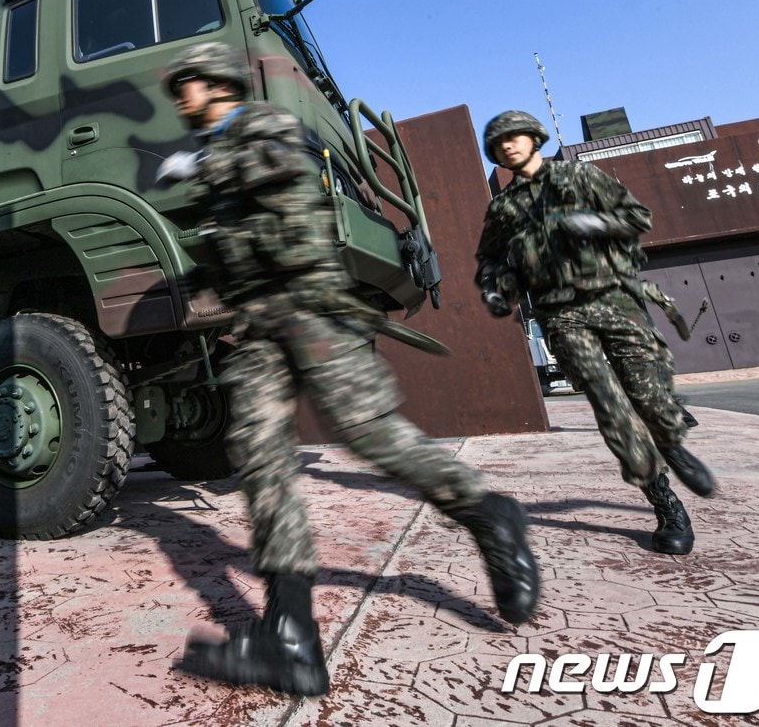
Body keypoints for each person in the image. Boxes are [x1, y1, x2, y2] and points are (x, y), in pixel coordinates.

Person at [157, 43, 541, 697]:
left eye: (185, 85)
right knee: (263, 463)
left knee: (372, 434)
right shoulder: (219, 151)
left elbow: (294, 213)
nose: (179, 100)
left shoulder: (263, 127)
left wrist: (210, 178)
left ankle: (487, 513)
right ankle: (291, 638)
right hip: (256, 327)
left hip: (309, 308)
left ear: (214, 83)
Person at [474, 110, 716, 556]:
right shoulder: (503, 208)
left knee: (650, 396)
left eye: (515, 136)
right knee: (609, 404)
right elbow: (489, 261)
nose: (508, 145)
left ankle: (672, 443)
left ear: (533, 138)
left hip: (613, 298)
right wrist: (494, 291)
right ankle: (666, 504)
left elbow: (637, 215)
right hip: (560, 312)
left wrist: (596, 224)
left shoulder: (580, 176)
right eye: (499, 142)